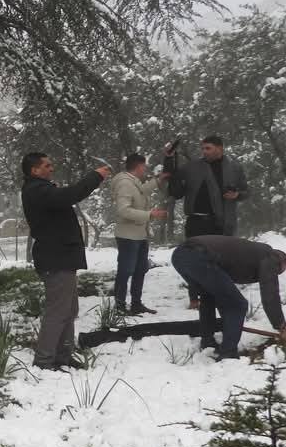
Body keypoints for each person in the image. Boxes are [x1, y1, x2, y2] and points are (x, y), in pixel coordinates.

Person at [20, 152, 110, 371]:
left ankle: (63, 356)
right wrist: (95, 177)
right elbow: (70, 195)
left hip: (61, 258)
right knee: (58, 311)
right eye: (47, 165)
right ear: (34, 170)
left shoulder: (43, 189)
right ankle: (44, 361)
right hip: (55, 259)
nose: (52, 168)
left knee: (69, 310)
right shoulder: (37, 190)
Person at [170, 236, 286, 359]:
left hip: (180, 256)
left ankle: (207, 342)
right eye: (277, 272)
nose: (275, 274)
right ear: (281, 262)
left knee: (208, 296)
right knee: (238, 305)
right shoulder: (270, 257)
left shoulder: (252, 253)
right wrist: (281, 328)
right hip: (200, 256)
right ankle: (228, 353)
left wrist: (194, 298)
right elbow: (270, 295)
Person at [165, 135, 249, 307]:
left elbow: (246, 191)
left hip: (221, 222)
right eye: (202, 148)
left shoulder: (234, 168)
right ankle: (194, 298)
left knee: (219, 261)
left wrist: (237, 195)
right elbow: (173, 182)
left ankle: (219, 295)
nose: (204, 152)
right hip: (196, 221)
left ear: (220, 148)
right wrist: (169, 158)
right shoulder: (192, 167)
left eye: (208, 148)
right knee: (193, 259)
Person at [111, 154, 168, 315]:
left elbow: (142, 191)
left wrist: (157, 180)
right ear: (139, 167)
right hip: (128, 236)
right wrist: (150, 215)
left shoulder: (132, 182)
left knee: (140, 269)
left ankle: (136, 304)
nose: (146, 169)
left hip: (139, 234)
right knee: (126, 270)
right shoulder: (124, 184)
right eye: (144, 167)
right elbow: (123, 210)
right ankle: (120, 307)